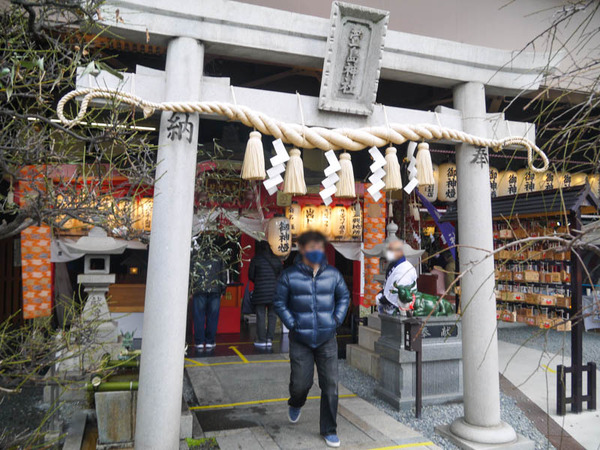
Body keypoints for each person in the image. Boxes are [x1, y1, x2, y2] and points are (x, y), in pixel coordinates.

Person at [273, 231, 350, 448]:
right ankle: (296, 403)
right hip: (301, 339)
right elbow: (279, 302)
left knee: (331, 386)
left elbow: (344, 296)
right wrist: (293, 323)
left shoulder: (333, 274)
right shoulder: (289, 275)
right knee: (300, 384)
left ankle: (329, 429)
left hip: (327, 338)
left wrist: (336, 319)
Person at [190, 240, 227, 350]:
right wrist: (223, 290)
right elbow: (223, 273)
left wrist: (190, 289)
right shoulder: (218, 256)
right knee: (212, 317)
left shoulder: (195, 256)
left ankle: (199, 342)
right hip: (215, 290)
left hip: (199, 289)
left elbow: (190, 273)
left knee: (199, 317)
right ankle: (210, 341)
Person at [248, 240, 282, 347]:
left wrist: (258, 281)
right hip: (274, 292)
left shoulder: (256, 260)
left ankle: (261, 339)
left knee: (260, 315)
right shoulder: (276, 260)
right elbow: (281, 275)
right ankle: (269, 339)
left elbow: (251, 275)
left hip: (260, 292)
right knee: (272, 315)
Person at [376, 238, 418, 315]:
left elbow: (401, 289)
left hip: (400, 304)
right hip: (390, 300)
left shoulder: (405, 268)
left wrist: (386, 299)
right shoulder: (395, 265)